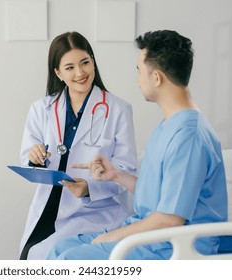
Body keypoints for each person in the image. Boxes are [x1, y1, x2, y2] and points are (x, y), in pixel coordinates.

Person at [47, 30, 228, 260]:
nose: (138, 79)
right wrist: (116, 175)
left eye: (139, 70)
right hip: (153, 238)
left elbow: (170, 219)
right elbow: (159, 194)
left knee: (67, 261)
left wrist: (114, 236)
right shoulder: (170, 125)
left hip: (171, 248)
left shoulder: (188, 137)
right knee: (60, 248)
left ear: (156, 78)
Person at [18, 32, 137, 260]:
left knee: (46, 255)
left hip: (94, 210)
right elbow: (28, 159)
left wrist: (89, 188)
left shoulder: (118, 110)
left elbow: (127, 172)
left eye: (85, 63)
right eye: (70, 67)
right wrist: (34, 157)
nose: (80, 73)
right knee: (28, 256)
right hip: (48, 205)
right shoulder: (40, 109)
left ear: (93, 61)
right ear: (58, 73)